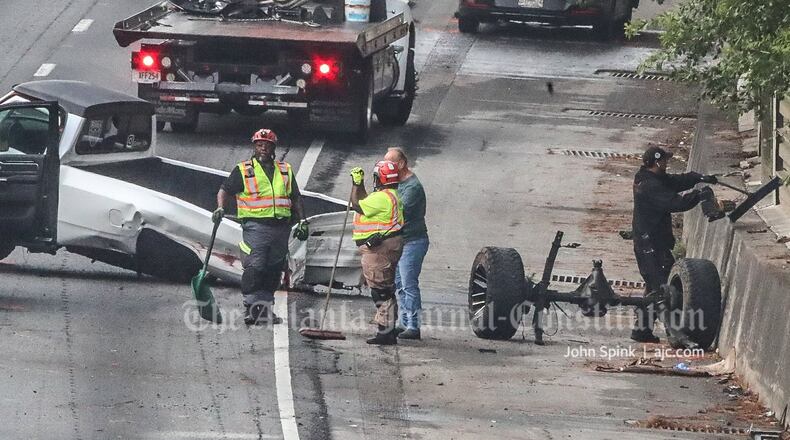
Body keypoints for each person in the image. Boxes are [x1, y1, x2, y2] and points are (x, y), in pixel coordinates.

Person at [214, 129, 309, 325]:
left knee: (274, 269)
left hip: (281, 228)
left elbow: (295, 197)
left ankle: (265, 309)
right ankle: (251, 307)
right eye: (259, 145)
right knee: (255, 267)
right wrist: (220, 208)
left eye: (267, 145)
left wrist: (302, 221)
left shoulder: (285, 170)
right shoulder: (243, 170)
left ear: (273, 148)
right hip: (256, 227)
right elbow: (224, 190)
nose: (263, 148)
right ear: (254, 147)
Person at [630, 146, 717, 344]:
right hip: (649, 245)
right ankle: (677, 333)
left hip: (655, 242)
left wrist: (698, 177)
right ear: (657, 161)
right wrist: (698, 196)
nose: (666, 163)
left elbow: (674, 182)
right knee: (663, 288)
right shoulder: (648, 186)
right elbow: (675, 203)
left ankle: (642, 329)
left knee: (654, 285)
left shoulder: (651, 178)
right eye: (665, 160)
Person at [350, 160, 404, 345]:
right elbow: (365, 202)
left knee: (381, 291)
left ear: (380, 178)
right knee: (384, 288)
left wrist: (356, 184)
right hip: (384, 247)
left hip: (380, 250)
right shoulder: (388, 195)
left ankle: (385, 332)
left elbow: (357, 204)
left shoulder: (383, 198)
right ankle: (388, 328)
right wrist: (360, 186)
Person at [383, 147, 428, 340]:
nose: (386, 166)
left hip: (413, 241)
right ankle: (404, 322)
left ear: (401, 164)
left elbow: (398, 211)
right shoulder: (396, 183)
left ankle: (413, 325)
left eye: (390, 162)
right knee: (400, 284)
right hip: (400, 241)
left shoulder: (412, 188)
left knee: (409, 284)